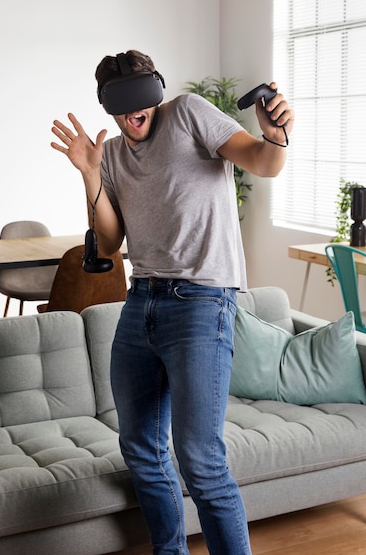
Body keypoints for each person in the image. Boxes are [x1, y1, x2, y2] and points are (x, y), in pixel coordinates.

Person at [51, 50, 294, 555]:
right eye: (116, 107)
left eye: (136, 102)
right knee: (140, 449)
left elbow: (264, 162)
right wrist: (91, 173)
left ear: (155, 91)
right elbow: (111, 242)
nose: (128, 115)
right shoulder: (113, 153)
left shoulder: (189, 113)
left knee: (200, 458)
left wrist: (275, 133)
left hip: (203, 303)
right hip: (141, 303)